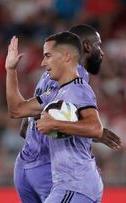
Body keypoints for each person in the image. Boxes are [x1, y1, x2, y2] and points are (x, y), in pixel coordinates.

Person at [13, 24, 122, 203]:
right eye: (98, 45)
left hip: (25, 166)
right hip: (50, 169)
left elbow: (26, 128)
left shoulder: (47, 76)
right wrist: (89, 139)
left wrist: (86, 136)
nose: (101, 52)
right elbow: (53, 122)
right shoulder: (73, 77)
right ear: (86, 46)